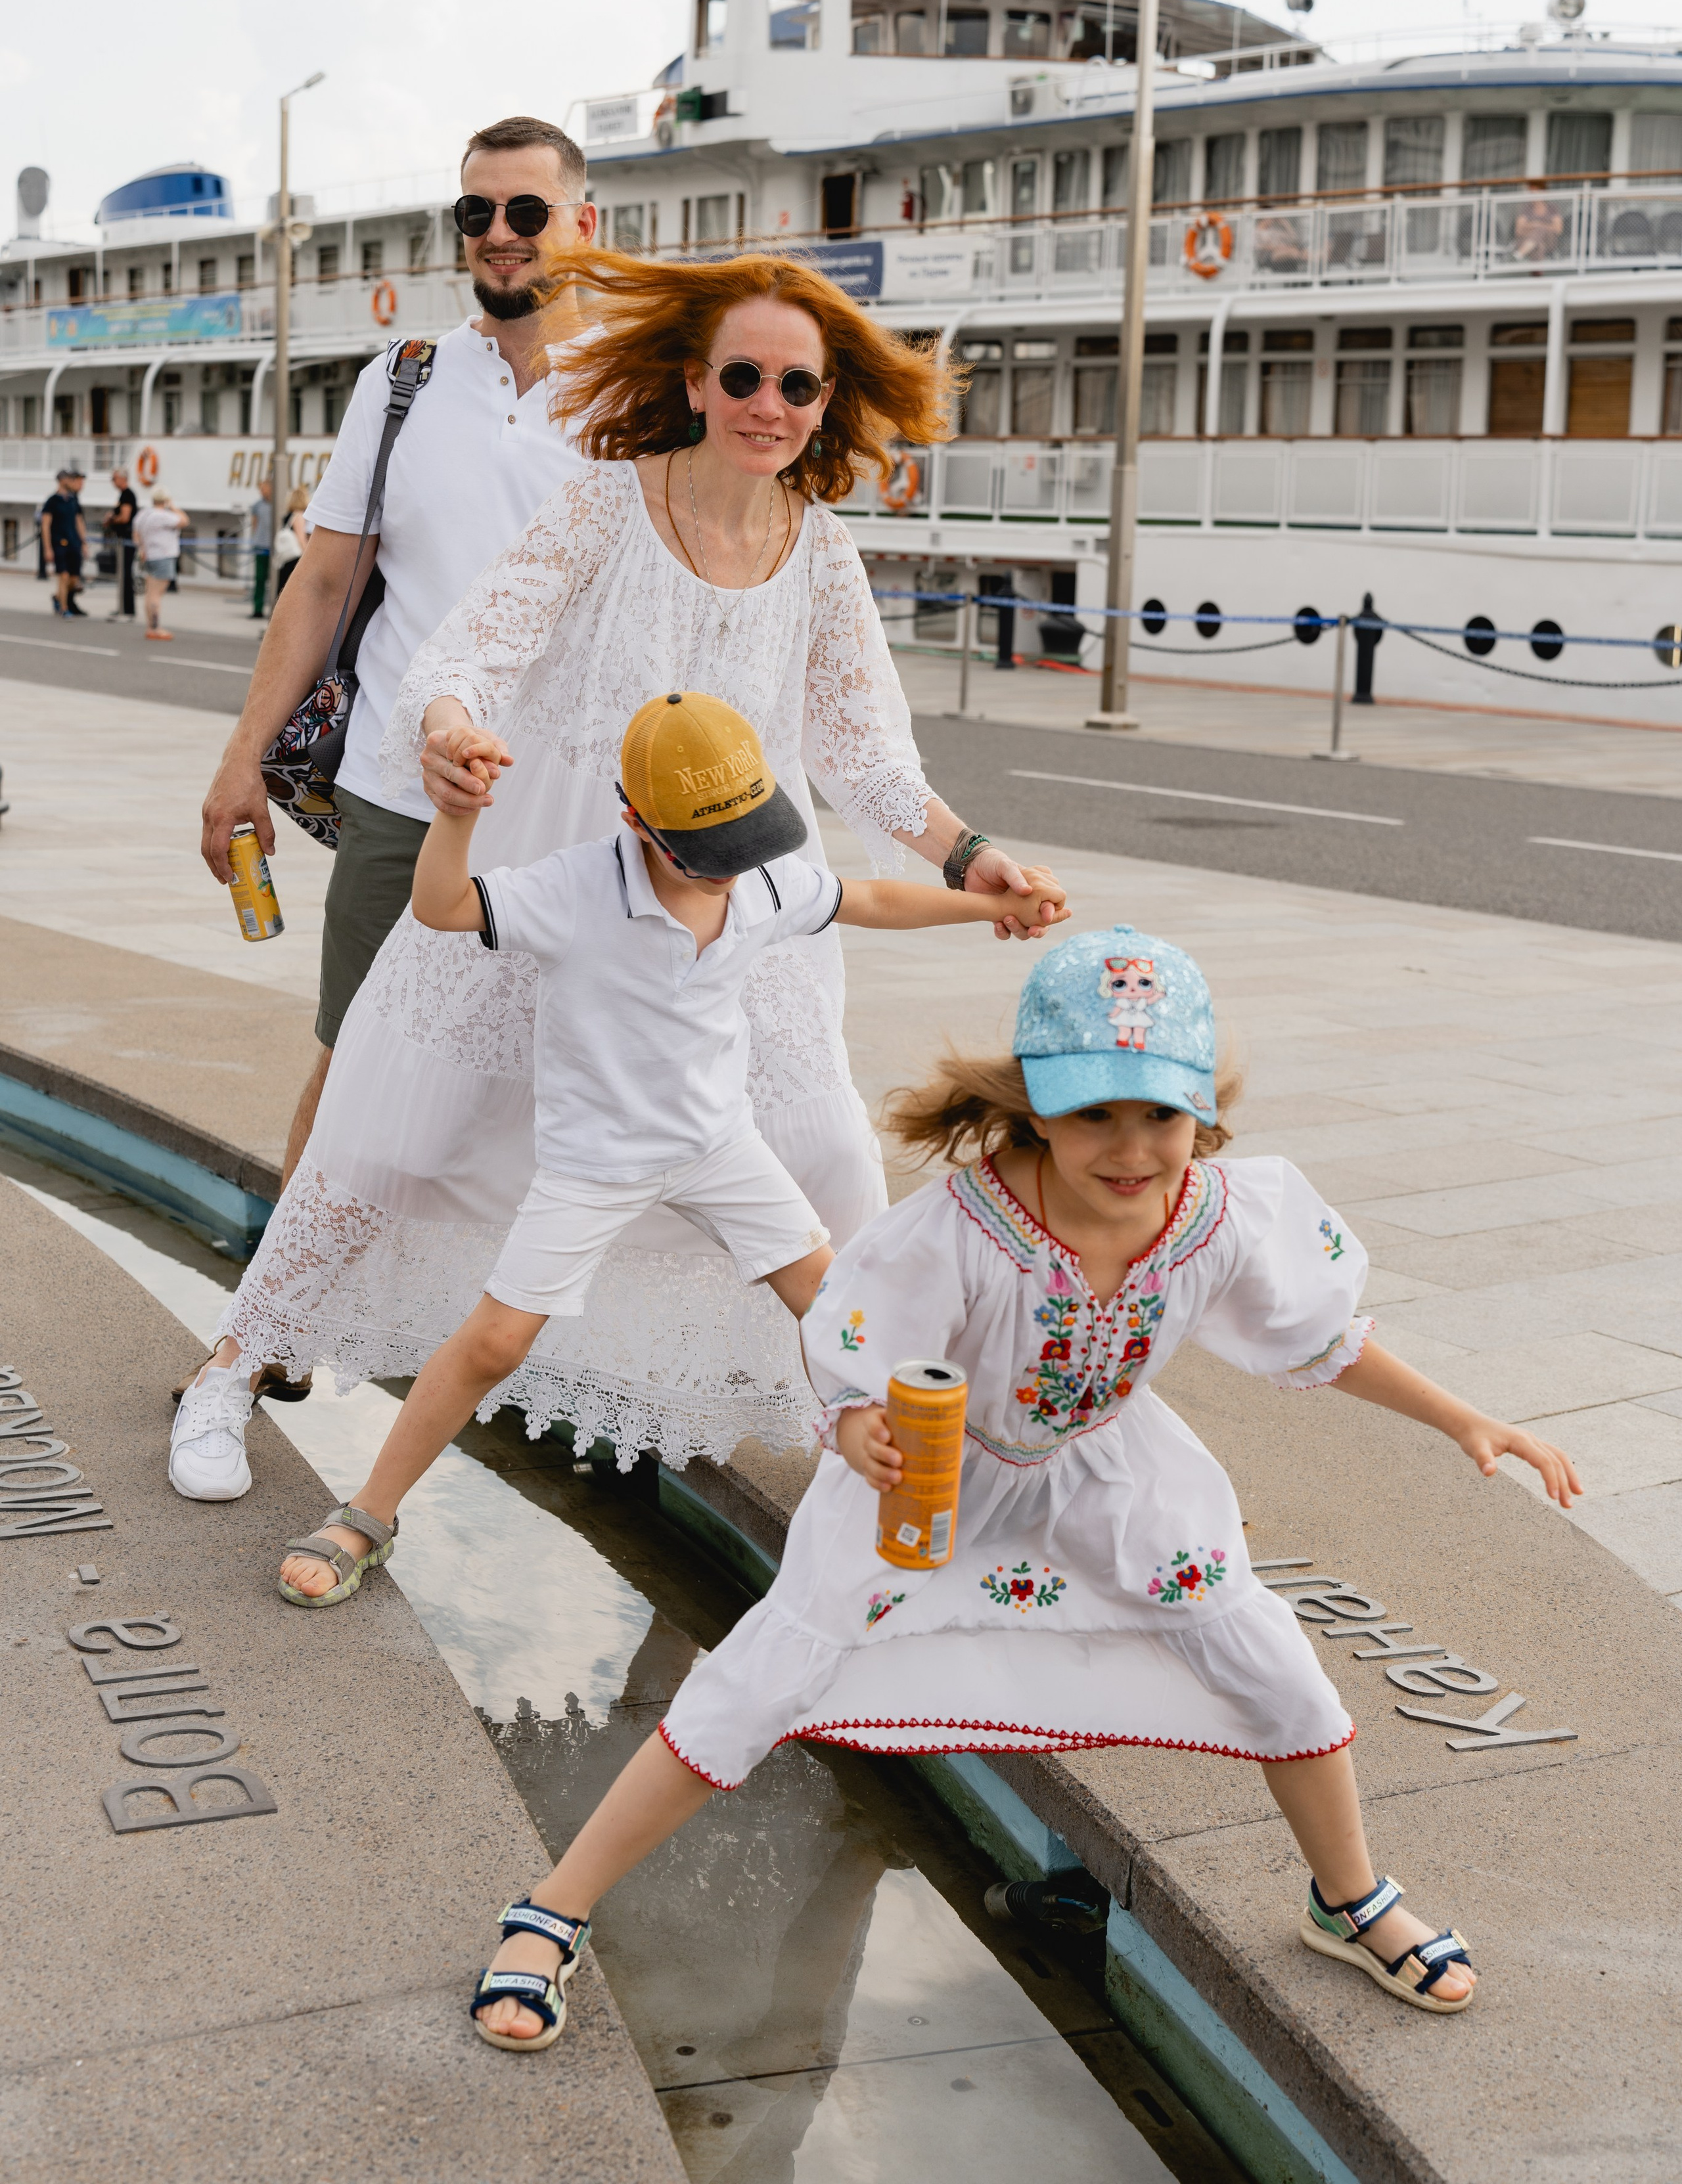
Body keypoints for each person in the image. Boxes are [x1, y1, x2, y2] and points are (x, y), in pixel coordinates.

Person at [466, 926, 1584, 2049]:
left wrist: (1464, 1418)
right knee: (757, 1681)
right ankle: (551, 1909)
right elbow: (851, 1353)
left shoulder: (1223, 1216)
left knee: (1273, 1664)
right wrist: (857, 1429)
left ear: (1203, 1107)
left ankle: (1348, 1900)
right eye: (1097, 1112)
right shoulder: (954, 1234)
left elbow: (1322, 1339)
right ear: (1036, 1106)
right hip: (934, 1482)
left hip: (1107, 1471)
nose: (1133, 1147)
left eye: (1161, 1112)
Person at [176, 245, 1062, 1502]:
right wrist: (452, 738)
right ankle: (234, 1368)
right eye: (744, 376)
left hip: (734, 907)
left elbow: (867, 760)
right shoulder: (604, 502)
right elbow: (465, 653)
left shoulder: (823, 553)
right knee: (391, 1140)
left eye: (797, 387)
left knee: (826, 1162)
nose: (770, 405)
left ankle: (888, 1462)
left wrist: (977, 862)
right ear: (697, 384)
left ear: (825, 405)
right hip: (551, 870)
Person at [259, 692, 1067, 1573]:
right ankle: (368, 1517)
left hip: (720, 1147)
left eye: (744, 846)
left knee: (841, 1309)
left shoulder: (761, 879)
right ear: (635, 821)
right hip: (593, 1164)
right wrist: (456, 814)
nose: (728, 871)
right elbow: (444, 906)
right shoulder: (575, 889)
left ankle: (959, 1494)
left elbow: (866, 897)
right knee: (494, 1341)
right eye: (705, 854)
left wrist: (990, 905)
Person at [196, 116, 601, 1205]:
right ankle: (269, 1340)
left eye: (527, 210)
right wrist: (242, 762)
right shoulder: (405, 379)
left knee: (556, 1086)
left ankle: (516, 1363)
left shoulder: (641, 395)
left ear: (583, 222)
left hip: (566, 817)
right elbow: (322, 585)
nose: (501, 235)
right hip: (394, 792)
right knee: (357, 1058)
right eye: (478, 213)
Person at [134, 490, 189, 638]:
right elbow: (184, 521)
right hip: (163, 556)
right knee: (156, 594)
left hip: (149, 555)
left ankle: (150, 626)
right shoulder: (164, 516)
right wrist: (173, 507)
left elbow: (136, 535)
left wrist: (142, 548)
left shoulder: (143, 515)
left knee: (150, 592)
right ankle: (155, 627)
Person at [40, 470, 87, 617]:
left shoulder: (73, 500)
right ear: (62, 480)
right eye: (69, 479)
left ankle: (58, 597)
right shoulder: (52, 501)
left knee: (74, 579)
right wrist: (47, 548)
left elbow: (79, 521)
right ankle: (64, 608)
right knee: (64, 575)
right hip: (59, 542)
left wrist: (84, 542)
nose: (72, 481)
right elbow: (45, 524)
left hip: (74, 542)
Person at [104, 468, 139, 622]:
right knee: (123, 575)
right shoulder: (124, 495)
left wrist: (111, 519)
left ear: (122, 479)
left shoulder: (127, 495)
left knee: (125, 575)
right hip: (124, 541)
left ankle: (127, 611)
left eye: (114, 479)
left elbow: (125, 518)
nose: (113, 482)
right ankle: (123, 608)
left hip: (127, 541)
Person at [271, 483, 310, 600]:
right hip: (295, 558)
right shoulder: (299, 516)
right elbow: (301, 539)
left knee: (283, 588)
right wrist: (308, 556)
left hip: (286, 559)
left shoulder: (288, 516)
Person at [249, 476, 275, 619]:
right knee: (259, 579)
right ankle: (257, 608)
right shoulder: (257, 505)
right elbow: (255, 524)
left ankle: (275, 609)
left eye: (263, 489)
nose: (261, 492)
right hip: (261, 546)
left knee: (276, 580)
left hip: (274, 548)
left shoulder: (278, 504)